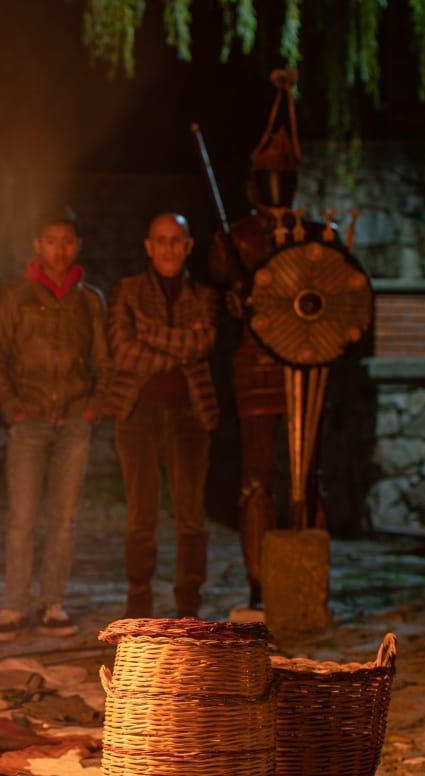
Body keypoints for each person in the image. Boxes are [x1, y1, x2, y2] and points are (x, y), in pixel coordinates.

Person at [208, 68, 320, 609]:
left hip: (307, 365)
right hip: (255, 364)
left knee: (307, 472)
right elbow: (221, 301)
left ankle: (304, 578)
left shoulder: (317, 236)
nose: (279, 177)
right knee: (259, 473)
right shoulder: (237, 239)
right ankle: (259, 577)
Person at [0, 209, 110, 640]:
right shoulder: (18, 296)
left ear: (78, 245)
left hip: (74, 420)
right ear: (38, 245)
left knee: (63, 519)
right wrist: (13, 407)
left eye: (68, 241)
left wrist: (92, 406)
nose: (60, 249)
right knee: (21, 518)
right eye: (51, 240)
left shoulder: (89, 300)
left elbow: (103, 362)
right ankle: (14, 606)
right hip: (30, 421)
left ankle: (52, 603)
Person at [105, 213, 221, 619]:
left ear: (188, 246)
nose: (169, 248)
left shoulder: (203, 296)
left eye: (177, 240)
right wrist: (178, 345)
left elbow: (202, 342)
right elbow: (124, 350)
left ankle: (189, 603)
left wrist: (148, 331)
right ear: (148, 246)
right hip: (138, 415)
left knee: (191, 517)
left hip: (190, 415)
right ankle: (139, 602)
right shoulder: (127, 292)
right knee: (141, 517)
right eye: (161, 240)